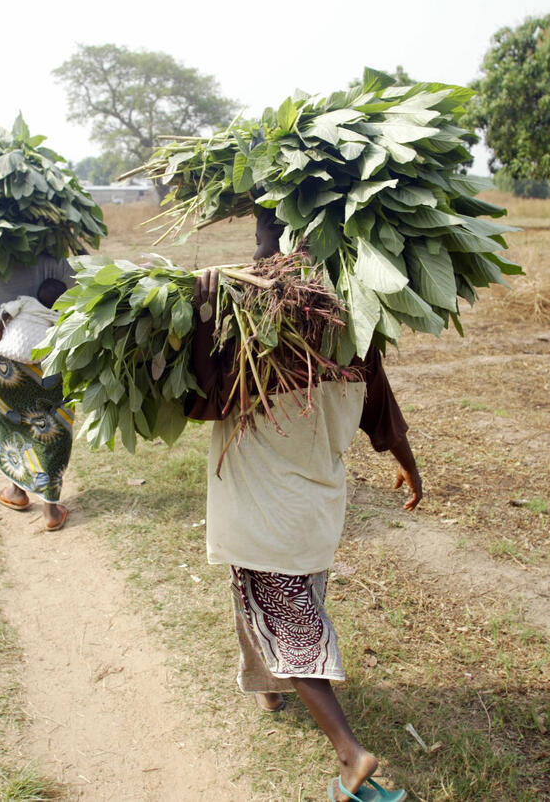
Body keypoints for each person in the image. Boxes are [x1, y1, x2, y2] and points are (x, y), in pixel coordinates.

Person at [186, 209, 422, 802]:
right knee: (273, 604)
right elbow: (384, 421)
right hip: (318, 509)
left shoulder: (250, 338)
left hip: (262, 512)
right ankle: (263, 686)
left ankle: (351, 754)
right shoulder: (355, 337)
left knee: (289, 624)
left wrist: (201, 322)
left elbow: (203, 404)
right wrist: (411, 469)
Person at [0, 256, 75, 531]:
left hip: (7, 367)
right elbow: (79, 302)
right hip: (51, 357)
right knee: (52, 427)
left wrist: (6, 337)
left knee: (12, 424)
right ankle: (51, 509)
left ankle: (17, 492)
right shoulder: (53, 261)